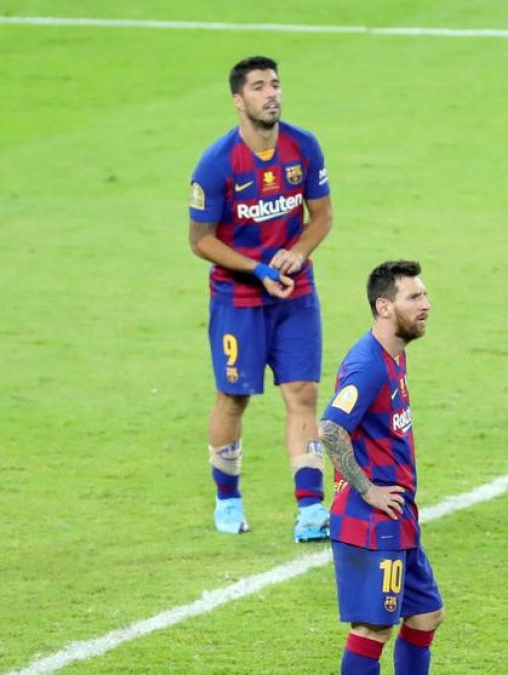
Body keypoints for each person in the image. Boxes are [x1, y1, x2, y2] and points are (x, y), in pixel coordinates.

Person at [187, 56, 335, 540]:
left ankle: (310, 509)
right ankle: (227, 499)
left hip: (295, 293)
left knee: (303, 394)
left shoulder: (303, 146)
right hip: (238, 299)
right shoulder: (217, 163)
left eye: (275, 84)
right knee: (233, 397)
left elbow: (322, 217)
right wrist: (258, 268)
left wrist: (295, 253)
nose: (271, 93)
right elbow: (200, 240)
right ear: (238, 100)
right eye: (258, 87)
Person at [319, 260, 444, 675]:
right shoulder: (368, 365)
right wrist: (367, 488)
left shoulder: (393, 355)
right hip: (373, 520)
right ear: (384, 307)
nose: (426, 304)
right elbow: (331, 428)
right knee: (372, 630)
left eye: (424, 294)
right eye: (415, 297)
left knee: (426, 615)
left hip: (399, 516)